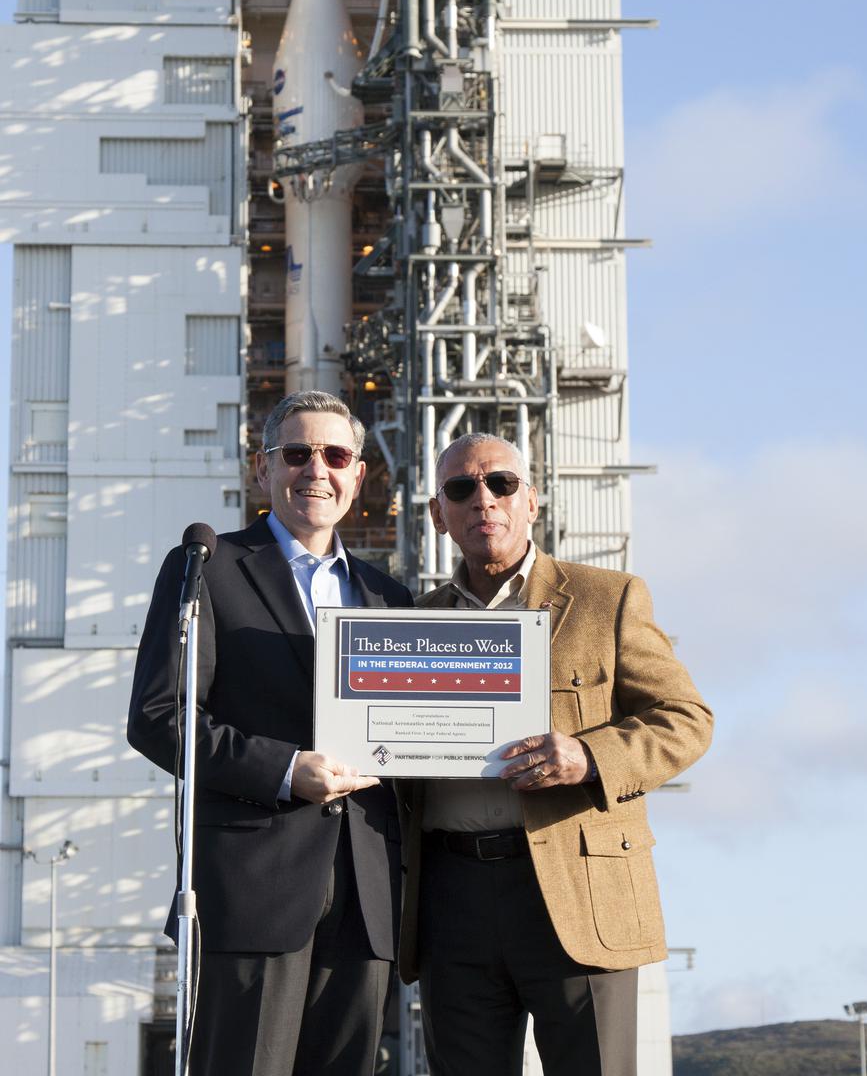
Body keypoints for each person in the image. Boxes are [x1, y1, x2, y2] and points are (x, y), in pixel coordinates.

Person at [398, 433, 713, 1076]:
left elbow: (687, 720)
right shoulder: (410, 624)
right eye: (460, 488)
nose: (482, 499)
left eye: (501, 484)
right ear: (438, 514)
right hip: (449, 897)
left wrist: (590, 757)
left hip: (580, 888)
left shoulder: (608, 598)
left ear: (532, 501)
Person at [128, 391, 413, 1076]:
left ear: (358, 476)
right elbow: (159, 717)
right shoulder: (207, 567)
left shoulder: (391, 598)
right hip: (254, 886)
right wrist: (287, 770)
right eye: (297, 453)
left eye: (336, 455)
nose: (317, 468)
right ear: (263, 470)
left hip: (367, 892)